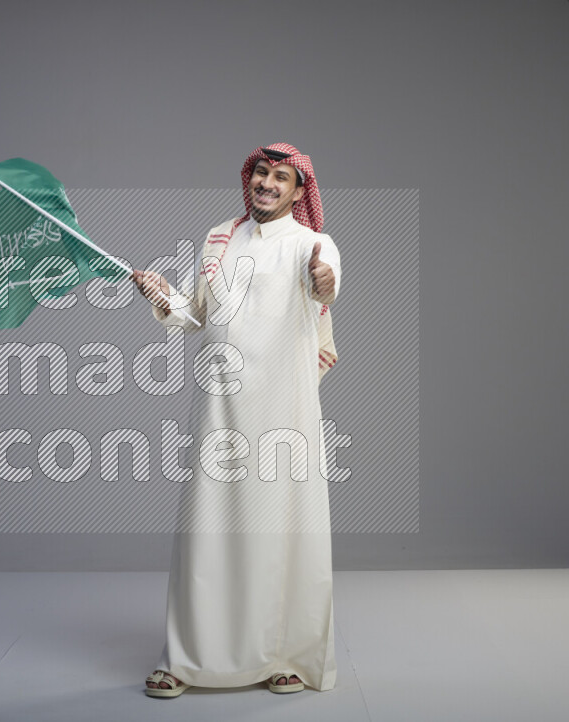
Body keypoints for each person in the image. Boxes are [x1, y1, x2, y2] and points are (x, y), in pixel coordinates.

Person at [131, 143, 341, 698]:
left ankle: (282, 656)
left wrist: (322, 281)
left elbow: (327, 283)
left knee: (280, 531)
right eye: (261, 174)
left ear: (300, 191)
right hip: (219, 409)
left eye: (281, 177)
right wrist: (162, 296)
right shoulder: (219, 237)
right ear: (249, 180)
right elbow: (196, 314)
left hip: (283, 413)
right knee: (208, 531)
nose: (267, 184)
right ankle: (184, 659)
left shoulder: (313, 243)